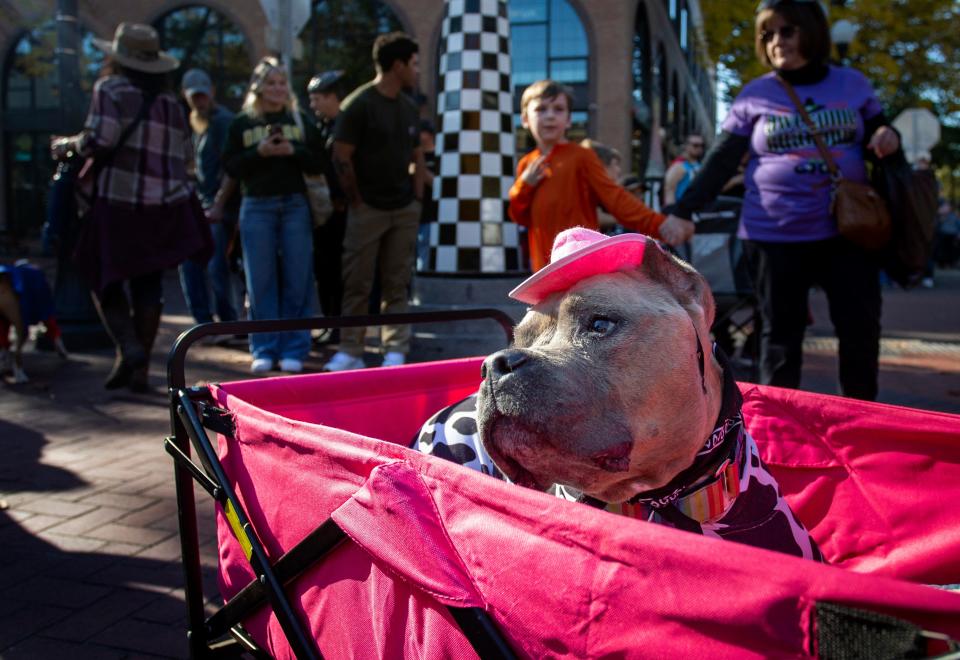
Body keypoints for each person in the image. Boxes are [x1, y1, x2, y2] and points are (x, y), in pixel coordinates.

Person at [663, 0, 901, 401]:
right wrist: (682, 210)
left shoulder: (853, 85)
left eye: (786, 30)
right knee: (778, 337)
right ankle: (777, 434)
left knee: (859, 332)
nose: (776, 41)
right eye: (767, 34)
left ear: (811, 30)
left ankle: (859, 424)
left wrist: (888, 138)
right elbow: (721, 160)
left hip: (848, 232)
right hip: (773, 234)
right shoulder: (755, 95)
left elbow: (885, 141)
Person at [50, 23, 211, 392]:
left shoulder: (111, 89)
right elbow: (186, 156)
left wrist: (68, 145)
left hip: (118, 203)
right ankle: (137, 371)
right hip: (163, 208)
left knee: (98, 271)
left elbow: (99, 139)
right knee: (148, 283)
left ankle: (129, 347)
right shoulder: (171, 103)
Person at [508, 79, 693, 272]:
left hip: (580, 267)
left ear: (569, 119)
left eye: (558, 109)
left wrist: (661, 225)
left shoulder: (582, 157)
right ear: (524, 119)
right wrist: (524, 184)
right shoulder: (526, 164)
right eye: (541, 109)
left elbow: (616, 199)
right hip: (542, 270)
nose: (550, 116)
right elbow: (519, 216)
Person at [323, 32, 425, 372]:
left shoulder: (409, 107)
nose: (417, 70)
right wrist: (357, 201)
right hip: (367, 209)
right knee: (358, 280)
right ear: (397, 65)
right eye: (413, 63)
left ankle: (394, 350)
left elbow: (416, 154)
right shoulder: (359, 104)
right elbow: (341, 157)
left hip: (403, 208)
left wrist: (417, 196)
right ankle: (351, 349)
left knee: (397, 281)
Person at [219, 56, 324, 374]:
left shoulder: (300, 119)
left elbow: (320, 161)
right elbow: (230, 166)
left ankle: (295, 347)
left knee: (298, 278)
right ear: (258, 87)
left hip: (295, 204)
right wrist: (258, 152)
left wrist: (294, 152)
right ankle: (263, 347)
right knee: (260, 279)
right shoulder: (242, 123)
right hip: (256, 206)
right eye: (271, 83)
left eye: (282, 83)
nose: (278, 88)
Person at [177, 68, 241, 329]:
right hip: (203, 205)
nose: (199, 100)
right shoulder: (198, 122)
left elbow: (231, 169)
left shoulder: (222, 121)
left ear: (212, 92)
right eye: (195, 97)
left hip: (221, 209)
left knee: (216, 266)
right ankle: (205, 323)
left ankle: (226, 322)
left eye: (203, 95)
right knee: (193, 262)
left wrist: (218, 205)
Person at [307, 70, 348, 336]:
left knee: (339, 272)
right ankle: (329, 322)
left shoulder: (345, 126)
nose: (314, 105)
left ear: (333, 97)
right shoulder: (320, 127)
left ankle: (339, 325)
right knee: (324, 270)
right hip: (323, 210)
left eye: (318, 98)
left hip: (343, 210)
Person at [662, 133, 705, 205]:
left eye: (702, 145)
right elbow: (669, 191)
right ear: (686, 146)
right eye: (695, 145)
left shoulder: (700, 166)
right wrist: (671, 211)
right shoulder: (679, 165)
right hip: (682, 210)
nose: (699, 148)